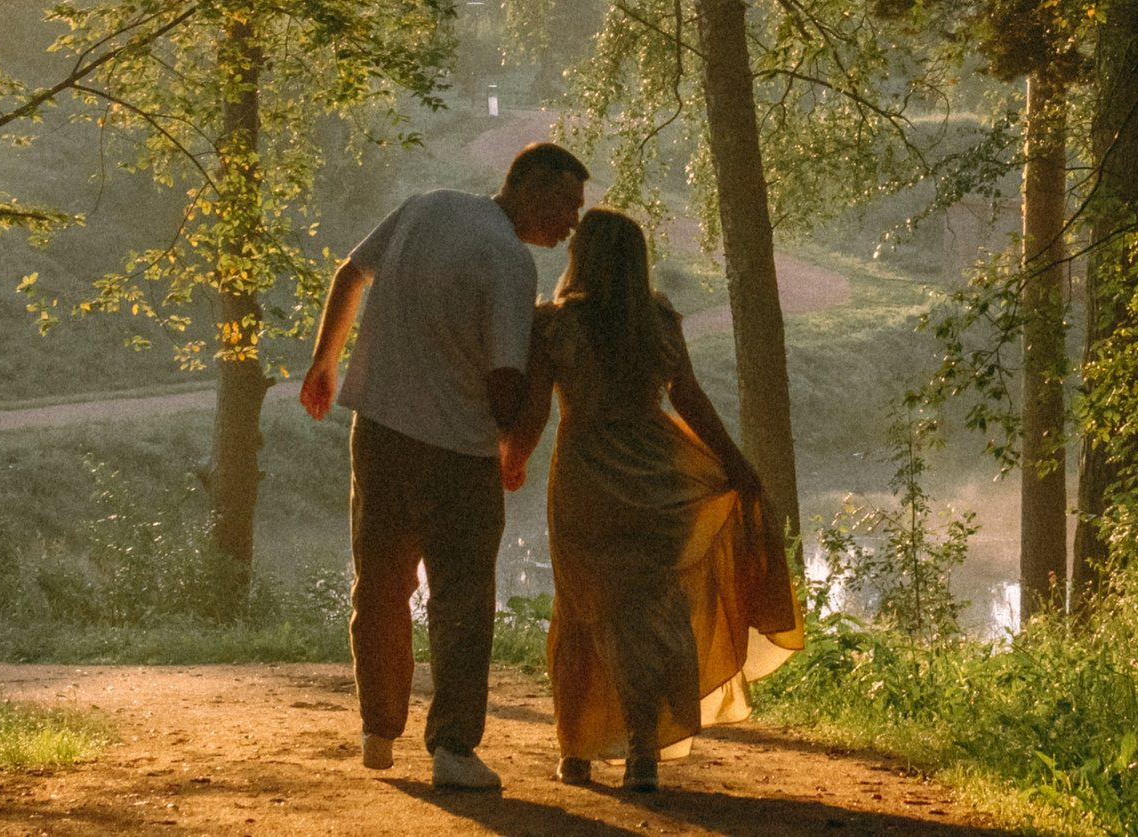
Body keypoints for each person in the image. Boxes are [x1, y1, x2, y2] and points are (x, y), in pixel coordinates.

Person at [299, 141, 587, 793]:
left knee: (380, 581)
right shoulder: (511, 263)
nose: (572, 221)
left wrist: (325, 360)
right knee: (461, 599)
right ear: (533, 188)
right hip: (457, 453)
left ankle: (379, 728)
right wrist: (537, 384)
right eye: (568, 204)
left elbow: (351, 273)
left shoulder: (425, 207)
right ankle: (453, 746)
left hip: (376, 431)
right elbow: (505, 384)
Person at [503, 208, 804, 791]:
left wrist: (512, 457)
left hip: (587, 478)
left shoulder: (553, 325)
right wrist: (736, 465)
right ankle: (643, 747)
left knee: (586, 610)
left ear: (579, 257)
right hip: (658, 472)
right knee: (654, 609)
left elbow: (537, 408)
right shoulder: (658, 319)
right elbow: (687, 398)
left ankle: (577, 751)